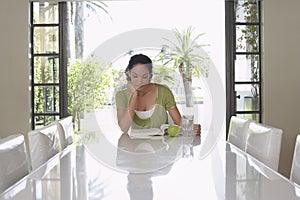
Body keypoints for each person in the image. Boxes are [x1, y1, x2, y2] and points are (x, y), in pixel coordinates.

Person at [115, 54, 182, 133]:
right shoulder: (121, 96)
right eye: (135, 76)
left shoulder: (163, 92)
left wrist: (192, 128)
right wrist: (134, 96)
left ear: (150, 76)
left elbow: (180, 124)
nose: (140, 81)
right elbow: (124, 128)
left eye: (144, 77)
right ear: (129, 73)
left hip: (161, 143)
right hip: (134, 144)